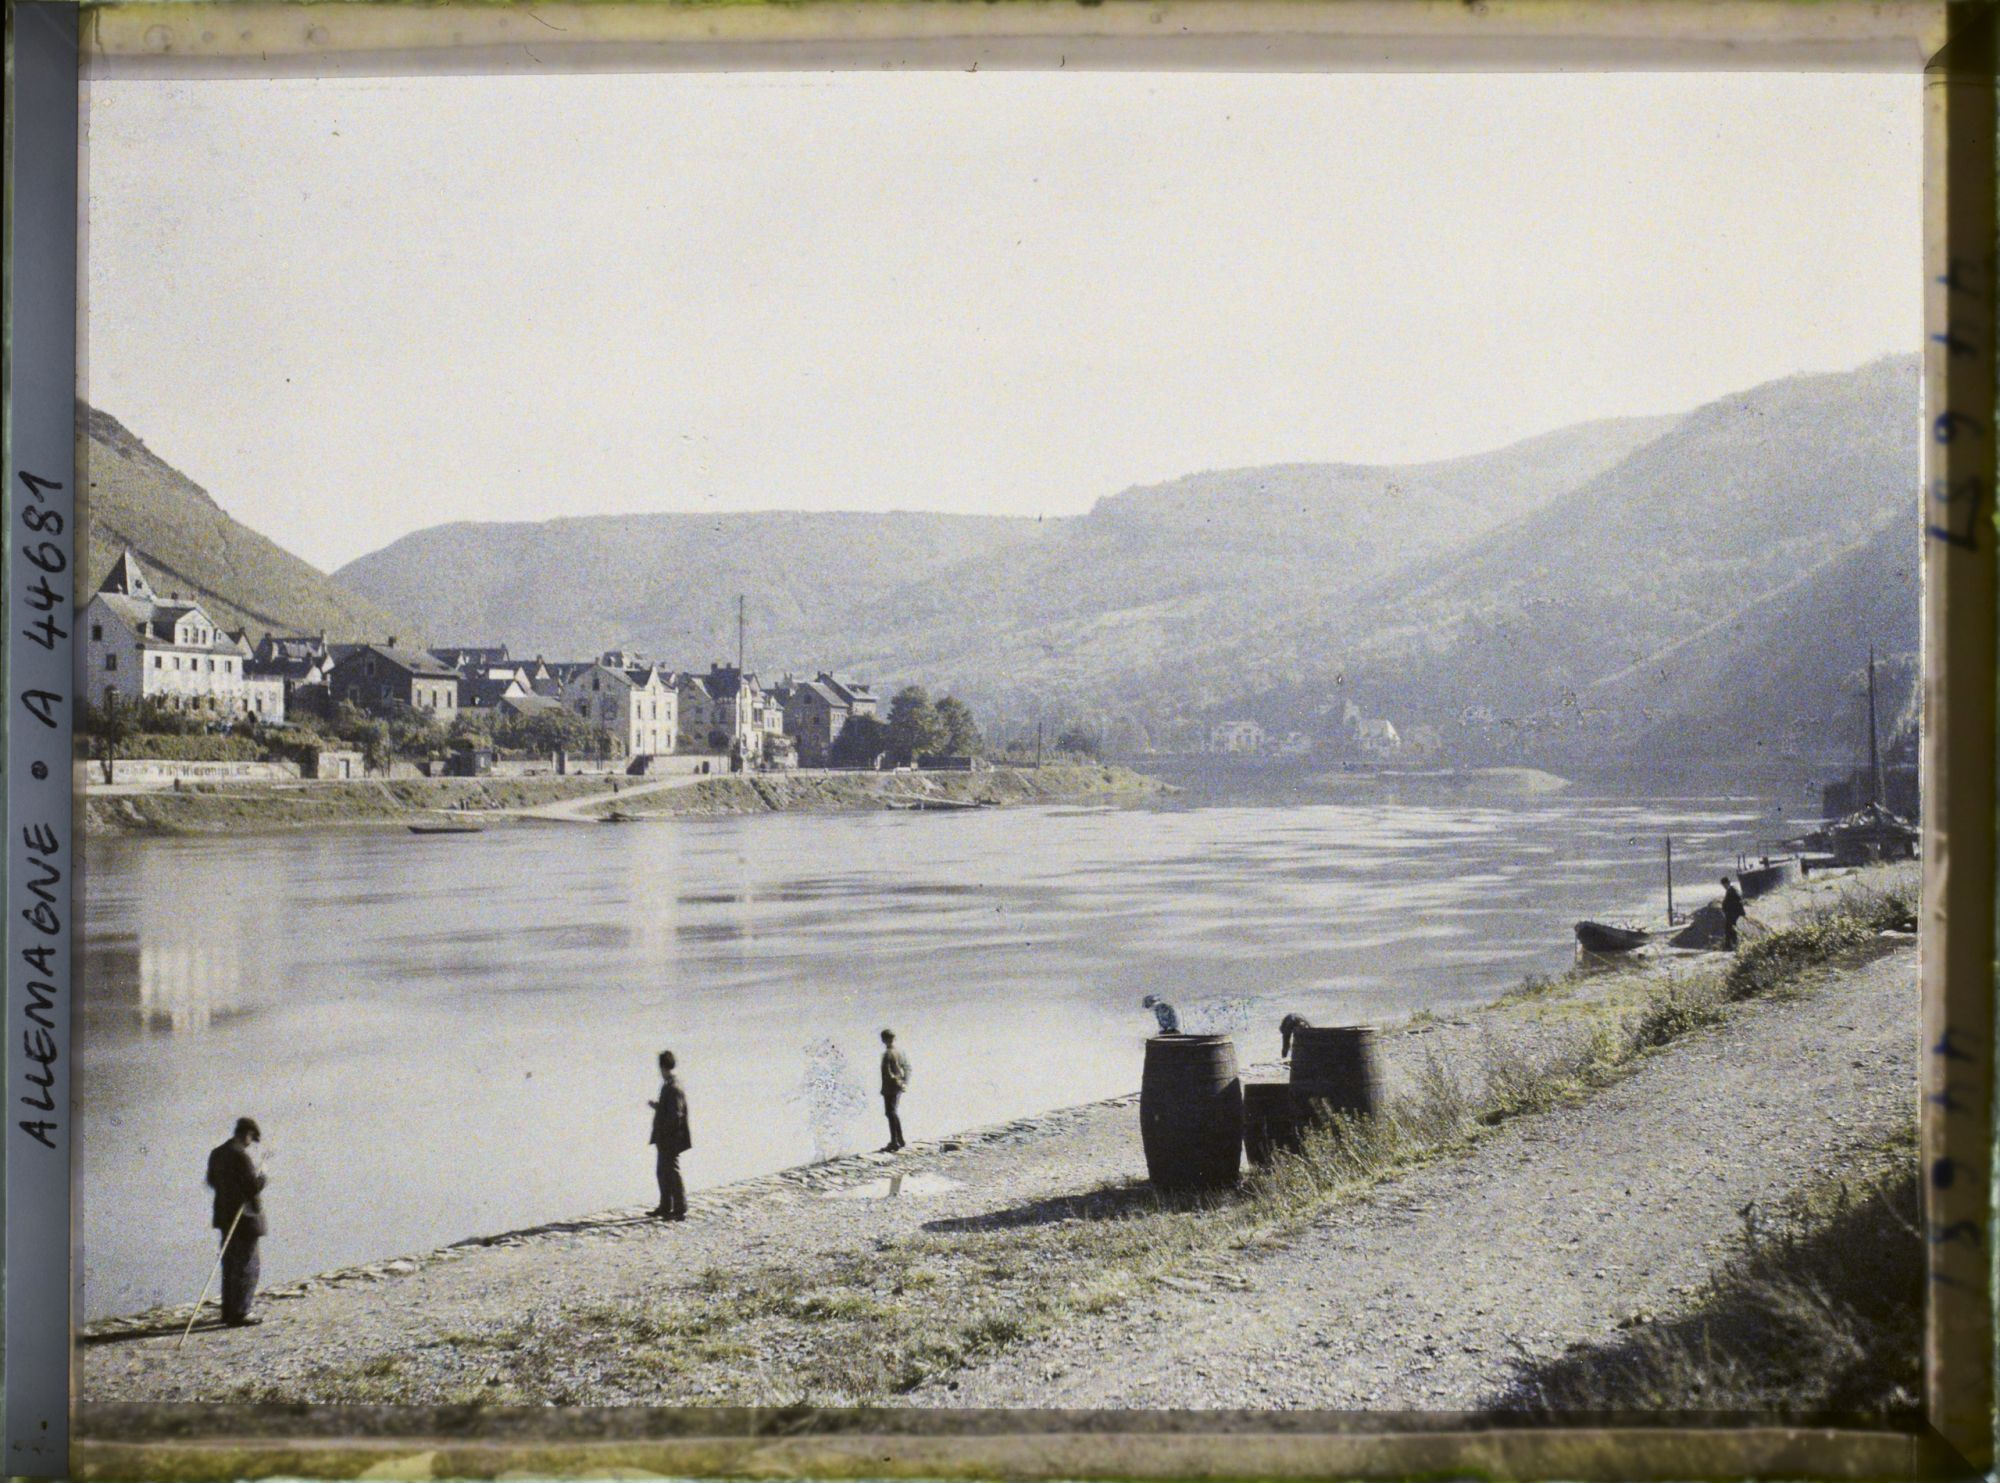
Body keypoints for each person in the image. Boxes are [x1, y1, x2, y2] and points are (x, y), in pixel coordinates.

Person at [204, 1117, 267, 1327]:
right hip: (244, 1219)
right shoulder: (241, 1157)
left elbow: (212, 1181)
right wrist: (263, 1176)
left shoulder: (216, 1153)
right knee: (247, 1266)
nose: (251, 1143)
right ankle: (241, 1313)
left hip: (225, 1216)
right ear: (247, 1133)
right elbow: (253, 1187)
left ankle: (229, 1312)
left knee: (230, 1265)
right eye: (252, 1138)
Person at [648, 1050, 691, 1220]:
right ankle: (666, 1206)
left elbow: (676, 1114)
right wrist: (657, 1107)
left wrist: (666, 1132)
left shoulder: (673, 1087)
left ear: (663, 1067)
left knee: (671, 1171)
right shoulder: (670, 1084)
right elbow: (671, 1111)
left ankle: (680, 1207)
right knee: (662, 1171)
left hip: (670, 1138)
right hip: (665, 1137)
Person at [879, 1029, 911, 1152]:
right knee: (892, 1112)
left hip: (890, 1087)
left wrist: (896, 1081)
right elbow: (907, 1068)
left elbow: (888, 1072)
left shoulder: (888, 1053)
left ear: (884, 1040)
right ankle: (900, 1139)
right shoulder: (899, 1052)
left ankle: (895, 1141)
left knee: (890, 1112)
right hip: (897, 1086)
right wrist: (904, 1082)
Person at [1720, 876, 1747, 951]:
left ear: (1727, 883)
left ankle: (1731, 946)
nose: (1724, 887)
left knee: (1730, 929)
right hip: (1732, 913)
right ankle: (1731, 945)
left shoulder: (1732, 890)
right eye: (1723, 885)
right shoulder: (1731, 890)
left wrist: (1729, 909)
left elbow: (1737, 901)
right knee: (1730, 929)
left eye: (1724, 885)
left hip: (1733, 914)